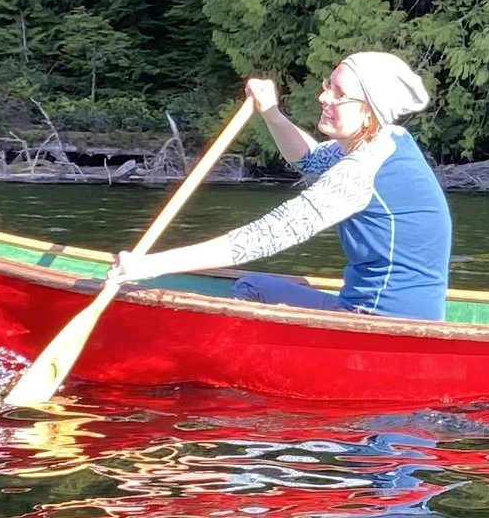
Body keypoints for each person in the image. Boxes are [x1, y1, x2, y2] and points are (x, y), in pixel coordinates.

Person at [110, 51, 453, 321]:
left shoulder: (363, 168)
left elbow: (271, 233)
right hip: (391, 314)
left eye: (339, 93)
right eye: (328, 84)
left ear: (369, 112)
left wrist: (151, 265)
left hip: (379, 322)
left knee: (251, 287)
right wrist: (272, 113)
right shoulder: (389, 139)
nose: (323, 96)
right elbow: (310, 160)